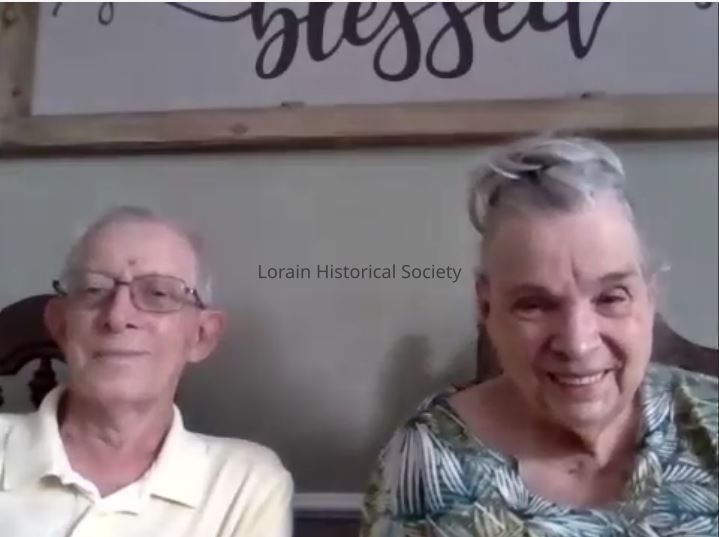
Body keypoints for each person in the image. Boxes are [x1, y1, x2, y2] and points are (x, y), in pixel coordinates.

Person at [361, 136, 718, 536]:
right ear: (486, 307)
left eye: (611, 298)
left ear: (650, 298)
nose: (578, 344)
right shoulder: (428, 461)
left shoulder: (711, 421)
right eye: (534, 305)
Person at [0, 206, 293, 537]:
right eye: (94, 290)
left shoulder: (245, 485)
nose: (117, 317)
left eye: (158, 293)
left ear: (201, 336)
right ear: (60, 325)